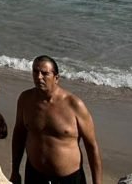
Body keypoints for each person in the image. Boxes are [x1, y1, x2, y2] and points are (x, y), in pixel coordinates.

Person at [10, 55, 101, 184]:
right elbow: (19, 134)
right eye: (35, 71)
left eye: (45, 73)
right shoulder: (26, 99)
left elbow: (92, 147)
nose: (38, 77)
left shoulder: (74, 105)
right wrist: (15, 171)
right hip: (34, 175)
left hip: (69, 179)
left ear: (56, 78)